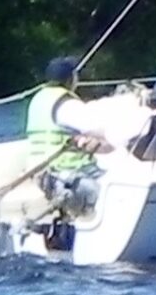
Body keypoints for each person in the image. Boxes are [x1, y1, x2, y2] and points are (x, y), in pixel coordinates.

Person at [25, 56, 107, 215]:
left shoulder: (38, 99)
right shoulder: (66, 103)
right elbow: (99, 130)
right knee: (118, 188)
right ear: (71, 78)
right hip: (67, 174)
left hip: (41, 174)